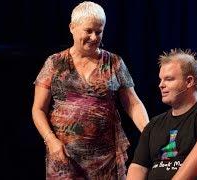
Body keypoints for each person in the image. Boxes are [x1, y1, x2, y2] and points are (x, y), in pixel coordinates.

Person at [31, 1, 149, 179]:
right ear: (72, 27)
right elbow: (38, 109)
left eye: (99, 31)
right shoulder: (54, 63)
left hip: (105, 160)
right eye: (88, 31)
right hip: (64, 157)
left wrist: (149, 134)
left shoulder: (114, 63)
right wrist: (51, 141)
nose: (94, 37)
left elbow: (132, 103)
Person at [127, 49, 197, 180]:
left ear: (189, 81)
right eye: (161, 79)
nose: (161, 85)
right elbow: (138, 167)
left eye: (168, 79)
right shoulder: (154, 124)